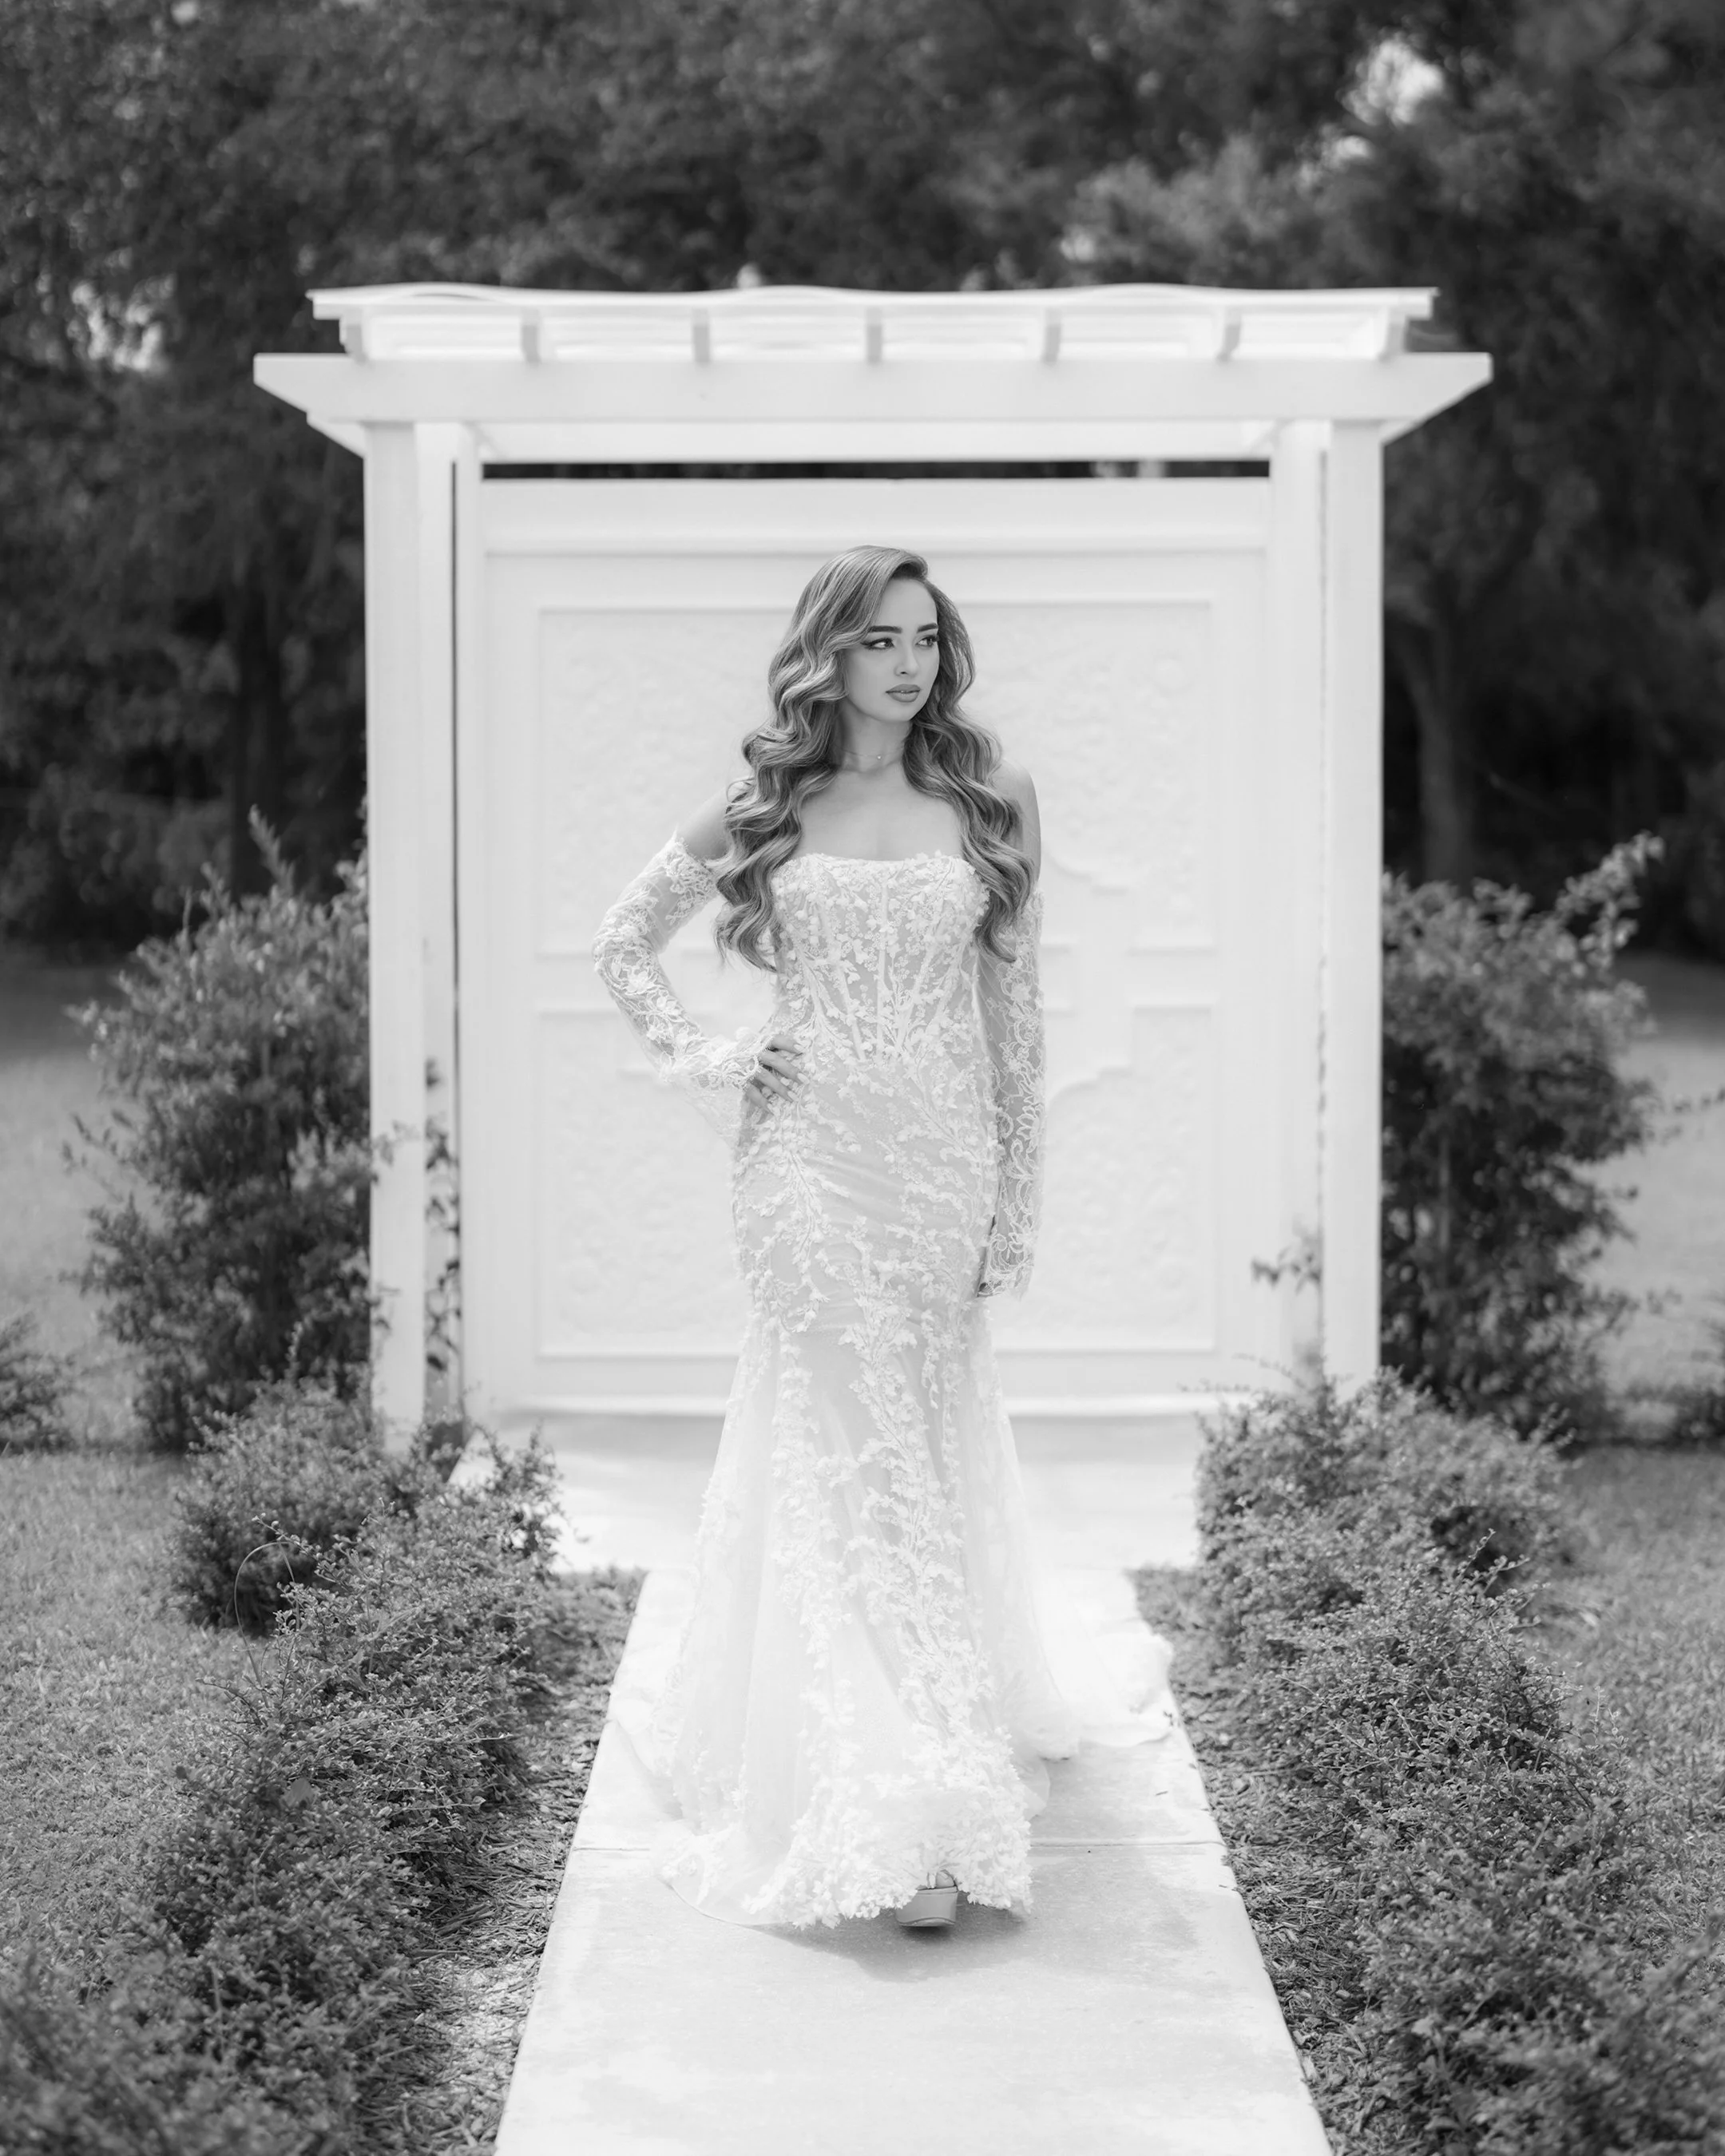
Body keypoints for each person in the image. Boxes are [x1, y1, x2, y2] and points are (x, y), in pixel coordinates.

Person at [593, 544, 1170, 1933]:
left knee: (911, 1441)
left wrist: (1019, 1194)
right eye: (880, 640)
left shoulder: (993, 796)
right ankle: (904, 1804)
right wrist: (715, 1053)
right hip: (801, 1171)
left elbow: (1015, 1022)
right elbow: (622, 944)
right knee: (852, 1454)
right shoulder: (768, 804)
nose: (909, 663)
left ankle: (912, 1740)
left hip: (937, 1169)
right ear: (829, 656)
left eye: (925, 637)